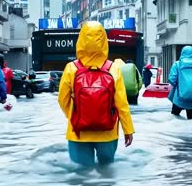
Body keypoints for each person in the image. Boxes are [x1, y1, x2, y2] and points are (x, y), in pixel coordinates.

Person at [58, 21, 135, 166]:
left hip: (78, 133)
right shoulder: (113, 68)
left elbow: (62, 100)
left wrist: (75, 116)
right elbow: (122, 104)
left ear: (81, 40)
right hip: (108, 134)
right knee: (107, 176)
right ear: (104, 41)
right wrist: (128, 129)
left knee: (82, 176)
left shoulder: (71, 68)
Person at [168, 46, 192, 120]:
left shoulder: (177, 65)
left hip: (179, 98)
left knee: (175, 119)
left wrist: (180, 88)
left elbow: (172, 80)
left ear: (182, 53)